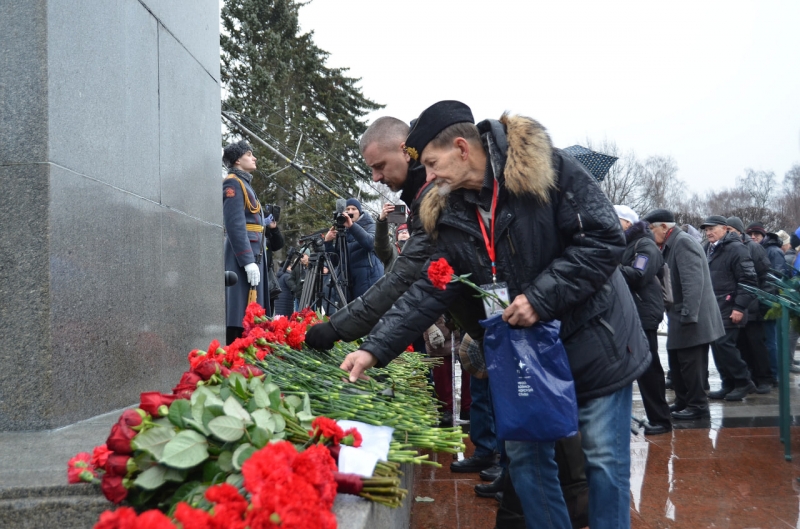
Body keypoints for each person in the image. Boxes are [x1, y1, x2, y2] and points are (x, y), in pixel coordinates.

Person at [340, 101, 650, 529]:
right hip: (525, 355)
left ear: (462, 149)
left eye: (431, 164)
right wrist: (373, 350)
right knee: (526, 461)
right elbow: (433, 285)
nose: (427, 179)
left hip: (592, 339)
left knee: (602, 461)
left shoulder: (547, 168)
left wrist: (541, 297)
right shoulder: (447, 210)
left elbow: (602, 239)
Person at [306, 117, 501, 476]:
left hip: (514, 328)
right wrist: (370, 346)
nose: (376, 178)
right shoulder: (424, 198)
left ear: (405, 150)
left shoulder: (437, 197)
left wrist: (338, 329)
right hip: (489, 325)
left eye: (379, 166)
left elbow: (402, 280)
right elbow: (422, 286)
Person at [643, 209, 724, 420]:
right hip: (680, 315)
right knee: (677, 361)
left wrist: (689, 313)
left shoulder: (683, 242)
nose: (650, 233)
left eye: (651, 228)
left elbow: (693, 282)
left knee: (691, 364)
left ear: (663, 226)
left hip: (692, 316)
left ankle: (697, 405)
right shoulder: (671, 243)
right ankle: (682, 401)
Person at [615, 205, 671, 435]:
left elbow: (638, 275)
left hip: (644, 313)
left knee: (649, 368)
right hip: (630, 312)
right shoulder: (625, 245)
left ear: (628, 223)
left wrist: (609, 265)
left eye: (615, 219)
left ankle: (661, 420)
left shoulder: (644, 245)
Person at [222, 140, 284, 344]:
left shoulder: (245, 184)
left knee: (252, 313)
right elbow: (235, 224)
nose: (254, 157)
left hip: (255, 253)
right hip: (243, 257)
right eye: (249, 154)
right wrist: (247, 261)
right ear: (238, 160)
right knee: (239, 312)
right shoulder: (233, 183)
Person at [700, 215, 758, 401]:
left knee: (725, 345)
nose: (708, 232)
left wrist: (740, 307)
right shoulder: (708, 248)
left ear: (725, 229)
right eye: (706, 229)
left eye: (712, 228)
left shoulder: (736, 249)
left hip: (730, 305)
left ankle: (743, 381)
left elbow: (749, 280)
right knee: (717, 346)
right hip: (714, 306)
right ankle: (728, 383)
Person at [727, 217, 773, 394]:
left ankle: (764, 379)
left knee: (756, 344)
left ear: (739, 231)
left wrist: (762, 301)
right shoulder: (729, 248)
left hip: (753, 304)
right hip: (737, 303)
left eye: (731, 229)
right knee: (742, 344)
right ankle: (749, 378)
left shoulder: (753, 247)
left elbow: (766, 275)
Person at [324, 198, 384, 302]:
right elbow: (336, 261)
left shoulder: (371, 226)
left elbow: (370, 244)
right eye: (347, 209)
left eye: (354, 209)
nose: (350, 212)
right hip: (349, 284)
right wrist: (328, 243)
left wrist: (352, 226)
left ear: (360, 211)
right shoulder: (343, 231)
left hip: (369, 281)